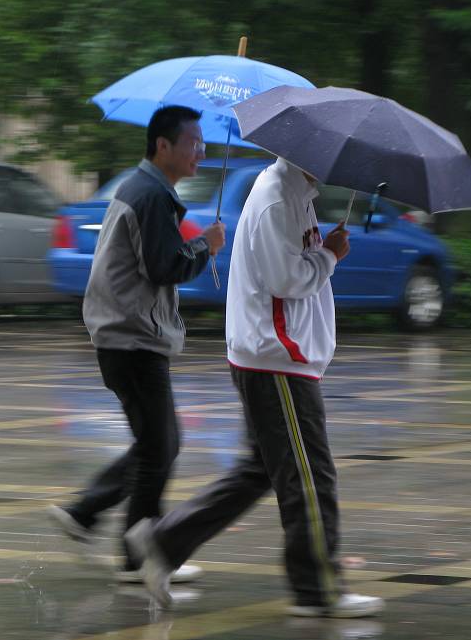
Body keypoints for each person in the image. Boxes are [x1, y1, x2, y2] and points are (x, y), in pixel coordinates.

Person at [126, 157, 384, 618]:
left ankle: (163, 541)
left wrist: (323, 251)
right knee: (310, 477)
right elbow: (287, 280)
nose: (338, 165)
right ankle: (317, 589)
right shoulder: (276, 198)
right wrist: (330, 256)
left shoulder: (295, 194)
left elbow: (290, 268)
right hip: (277, 359)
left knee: (260, 471)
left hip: (274, 355)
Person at [48, 105, 226, 583]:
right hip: (131, 339)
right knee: (159, 447)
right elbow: (163, 266)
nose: (201, 152)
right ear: (163, 145)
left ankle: (91, 517)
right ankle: (137, 555)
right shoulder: (149, 195)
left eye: (203, 143)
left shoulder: (146, 189)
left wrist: (196, 244)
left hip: (125, 335)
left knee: (158, 444)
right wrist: (205, 246)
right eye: (193, 142)